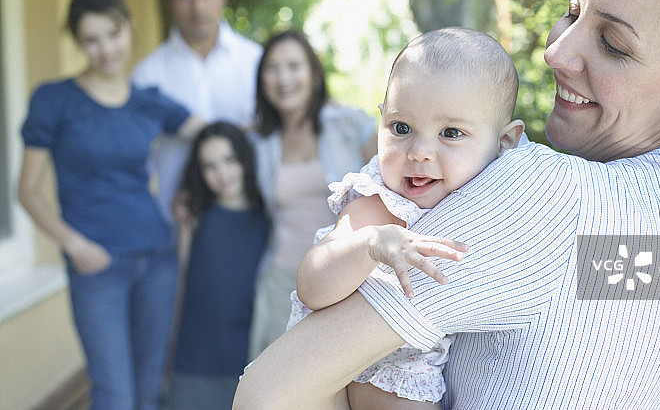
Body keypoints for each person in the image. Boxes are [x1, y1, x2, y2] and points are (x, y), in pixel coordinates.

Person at [234, 0, 660, 410]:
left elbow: (270, 394)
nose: (557, 51)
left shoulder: (549, 201)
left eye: (613, 44)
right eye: (572, 11)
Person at [287, 27, 524, 409]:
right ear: (381, 120)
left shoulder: (498, 195)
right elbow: (311, 286)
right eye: (401, 128)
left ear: (505, 142)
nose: (419, 151)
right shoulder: (382, 203)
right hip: (372, 369)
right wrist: (370, 244)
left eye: (450, 133)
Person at [17, 0, 205, 410]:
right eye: (91, 40)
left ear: (129, 28)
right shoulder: (54, 100)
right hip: (96, 265)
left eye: (113, 34)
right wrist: (75, 245)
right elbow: (26, 190)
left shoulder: (149, 101)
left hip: (157, 257)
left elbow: (217, 136)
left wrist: (314, 114)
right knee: (114, 396)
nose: (106, 49)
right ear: (78, 42)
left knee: (149, 392)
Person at [248, 30, 377, 359]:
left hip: (347, 279)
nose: (284, 79)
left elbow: (394, 187)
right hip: (282, 280)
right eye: (273, 68)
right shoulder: (259, 144)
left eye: (294, 66)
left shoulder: (350, 125)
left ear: (314, 75)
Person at [131, 0, 262, 224]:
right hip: (177, 225)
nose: (197, 7)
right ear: (168, 1)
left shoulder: (256, 63)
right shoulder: (147, 75)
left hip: (253, 222)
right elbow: (136, 159)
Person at [167, 122, 270, 410]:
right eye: (209, 166)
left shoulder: (268, 217)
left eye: (230, 160)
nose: (222, 174)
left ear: (245, 158)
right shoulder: (194, 215)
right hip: (194, 358)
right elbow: (180, 286)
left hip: (248, 359)